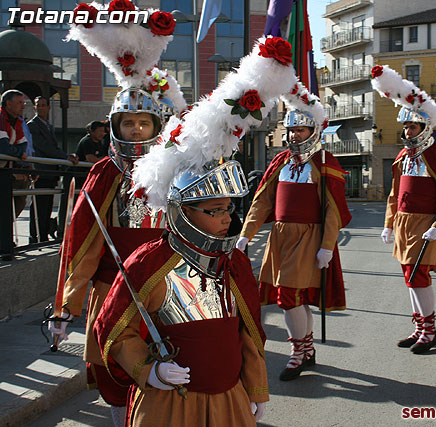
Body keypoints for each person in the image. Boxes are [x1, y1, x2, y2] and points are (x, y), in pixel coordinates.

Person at [94, 35, 298, 425]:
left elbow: (250, 334)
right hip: (169, 405)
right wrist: (148, 370)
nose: (226, 218)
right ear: (182, 211)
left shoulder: (233, 263)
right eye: (213, 210)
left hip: (229, 403)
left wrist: (255, 388)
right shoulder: (150, 262)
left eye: (228, 208)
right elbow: (116, 331)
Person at [48, 9, 186, 426]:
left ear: (156, 124)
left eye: (145, 122)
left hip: (167, 285)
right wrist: (66, 305)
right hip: (112, 285)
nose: (137, 130)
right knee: (114, 368)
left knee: (172, 365)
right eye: (129, 123)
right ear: (115, 126)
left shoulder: (173, 166)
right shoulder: (103, 173)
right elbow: (81, 240)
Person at [237, 81, 351, 381]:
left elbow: (332, 210)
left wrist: (327, 245)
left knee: (289, 296)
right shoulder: (280, 161)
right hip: (280, 237)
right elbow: (262, 201)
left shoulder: (324, 162)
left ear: (313, 132)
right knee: (292, 297)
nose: (294, 136)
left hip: (309, 238)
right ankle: (308, 348)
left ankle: (298, 351)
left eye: (300, 130)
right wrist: (245, 234)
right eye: (291, 130)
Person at [371, 65, 436, 354]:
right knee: (408, 276)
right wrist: (388, 223)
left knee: (418, 276)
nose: (407, 131)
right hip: (403, 223)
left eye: (412, 126)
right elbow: (394, 193)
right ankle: (419, 326)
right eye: (406, 126)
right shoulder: (403, 155)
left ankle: (430, 330)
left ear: (426, 127)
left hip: (426, 224)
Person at [27, 96, 78, 242]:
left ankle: (43, 235)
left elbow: (53, 147)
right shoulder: (33, 125)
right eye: (38, 105)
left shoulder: (48, 126)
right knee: (39, 205)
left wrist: (66, 156)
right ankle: (35, 236)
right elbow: (45, 147)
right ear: (34, 108)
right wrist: (65, 157)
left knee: (47, 205)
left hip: (50, 172)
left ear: (49, 107)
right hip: (41, 171)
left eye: (44, 105)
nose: (41, 108)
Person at [0, 90, 30, 218]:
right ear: (8, 103)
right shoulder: (1, 117)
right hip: (3, 168)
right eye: (19, 102)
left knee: (19, 199)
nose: (23, 106)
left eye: (23, 102)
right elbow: (3, 147)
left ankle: (5, 234)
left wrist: (19, 155)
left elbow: (23, 145)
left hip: (5, 168)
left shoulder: (17, 121)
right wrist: (18, 153)